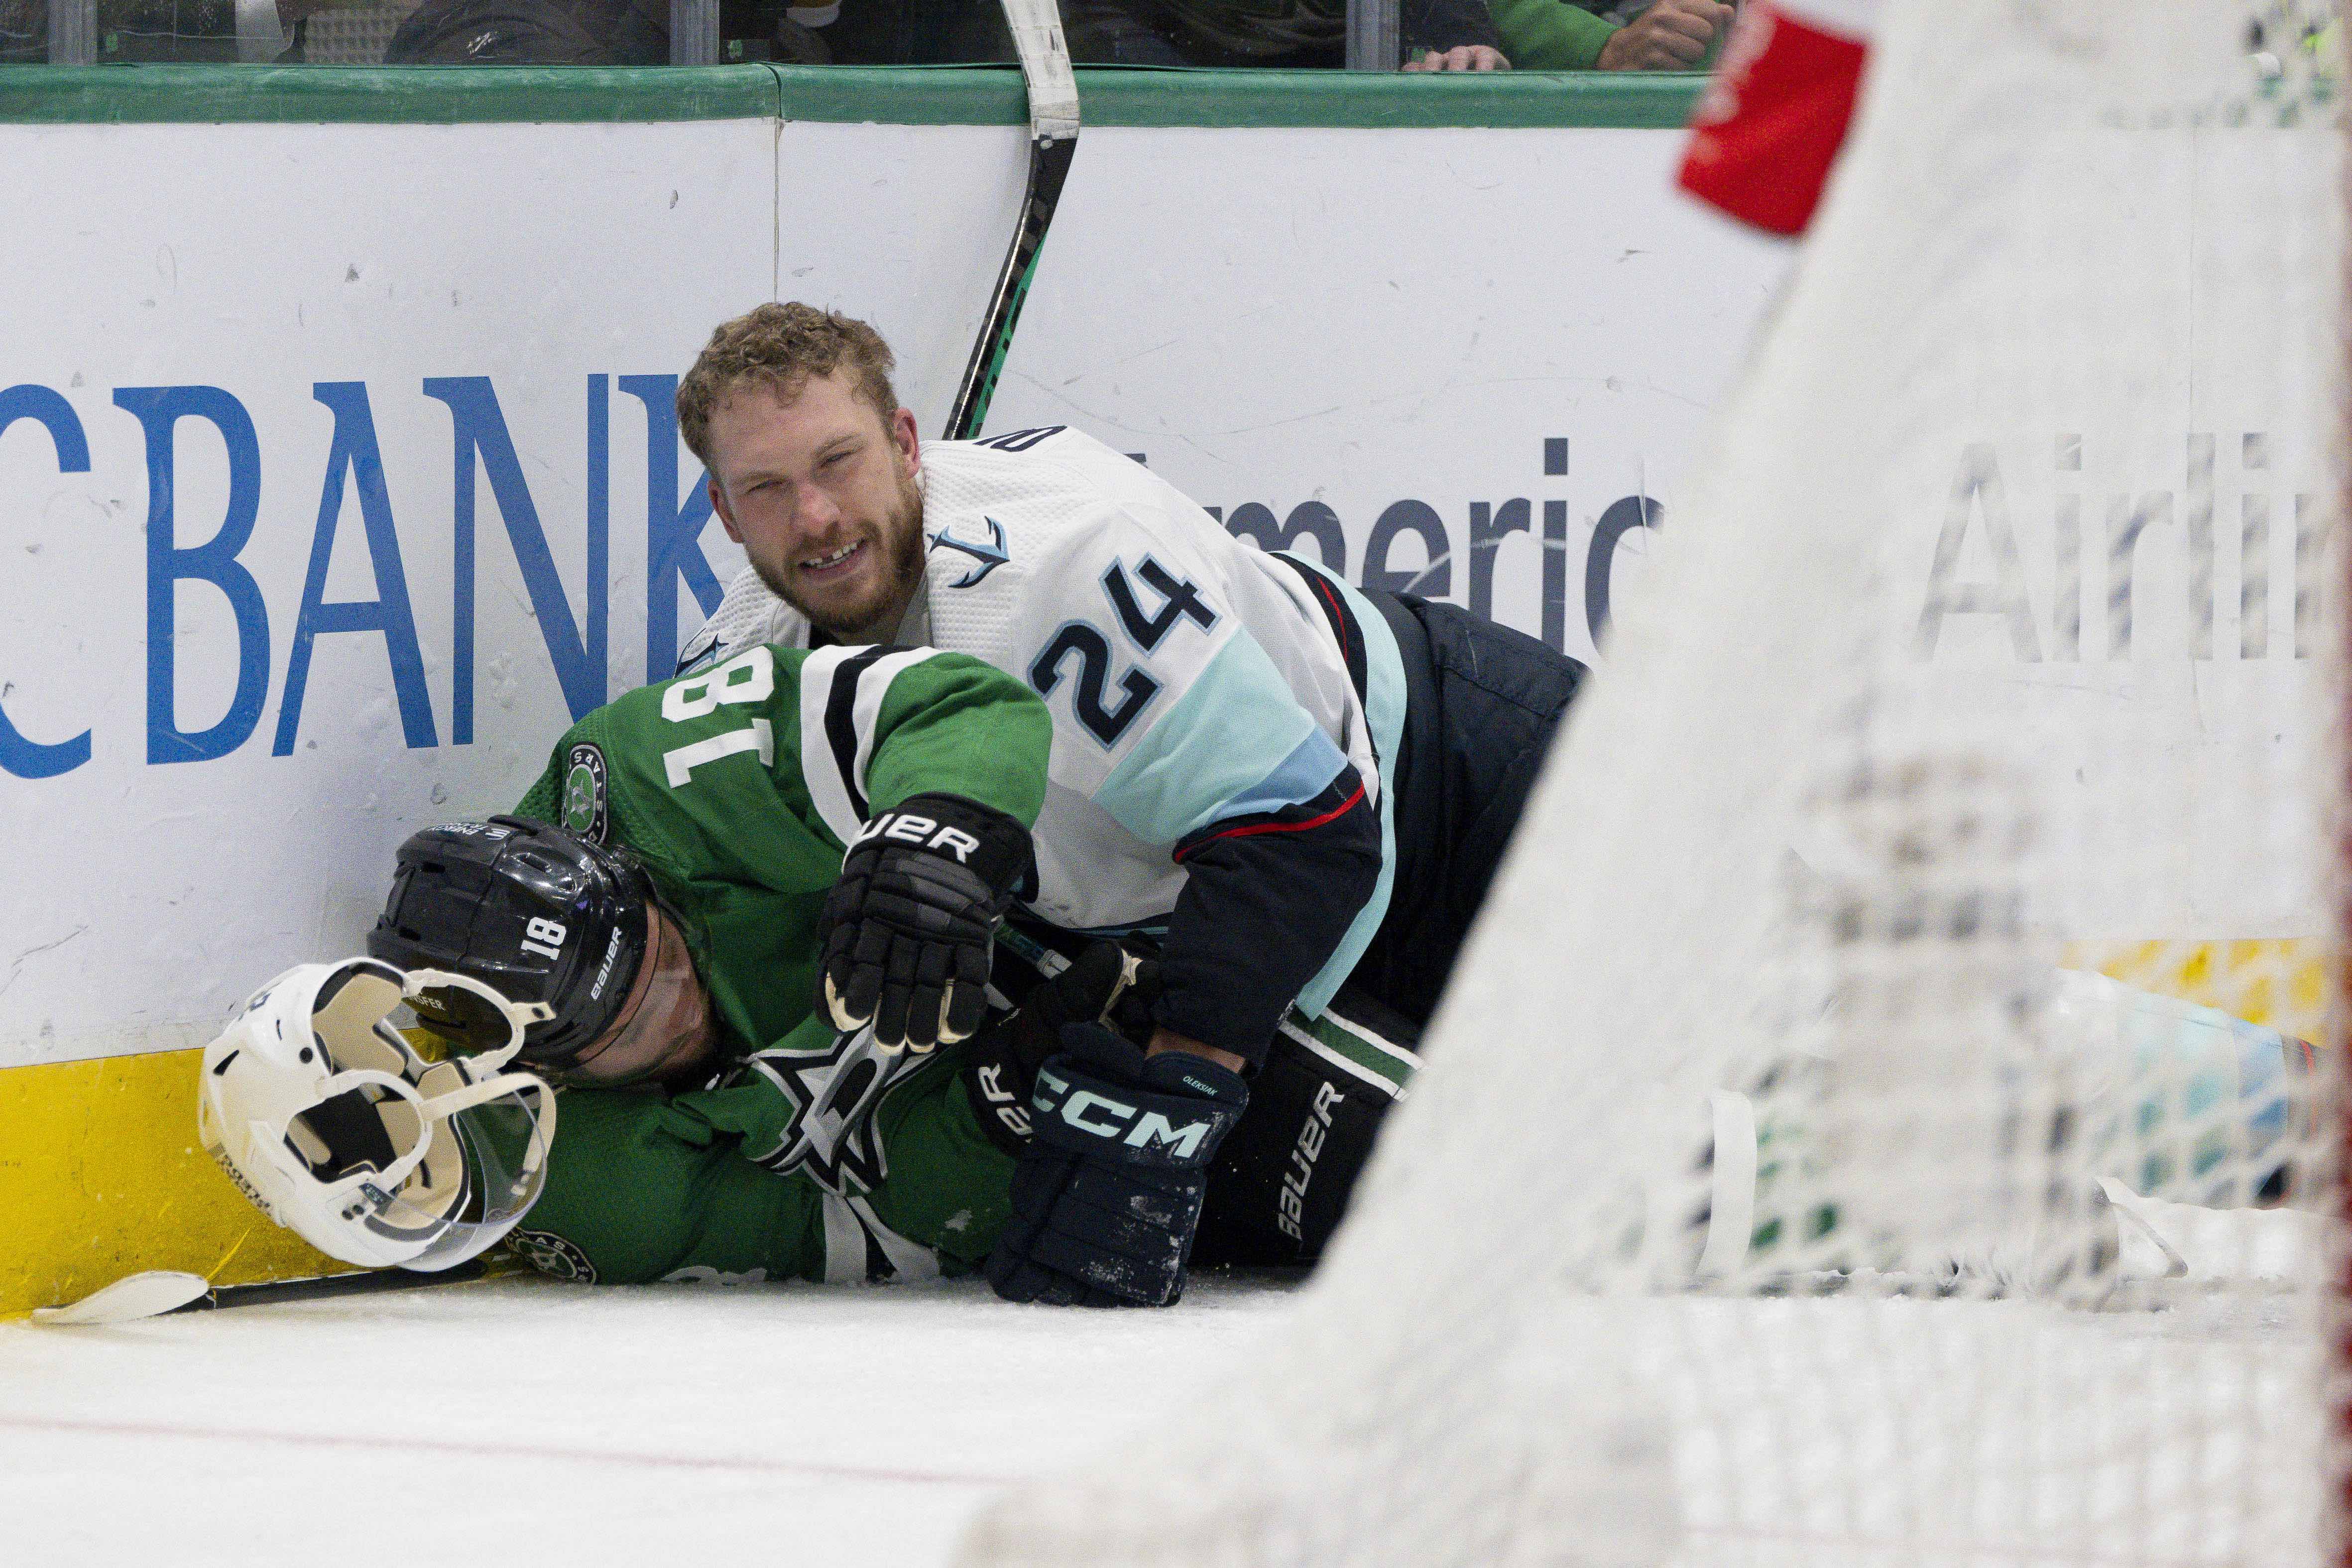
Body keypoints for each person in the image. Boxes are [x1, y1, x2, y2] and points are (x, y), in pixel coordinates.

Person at [670, 302, 1589, 1300]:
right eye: (768, 488)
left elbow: (1303, 829)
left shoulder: (1050, 576)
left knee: (1716, 1097)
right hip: (1260, 896)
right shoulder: (745, 662)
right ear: (723, 512)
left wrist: (1170, 1102)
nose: (815, 518)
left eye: (838, 462)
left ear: (904, 444)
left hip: (1463, 784)